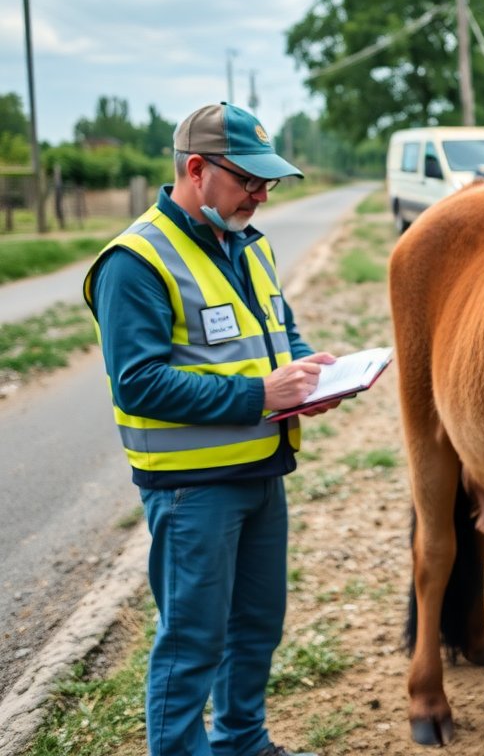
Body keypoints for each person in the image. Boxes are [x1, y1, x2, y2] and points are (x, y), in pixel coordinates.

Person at [83, 102, 341, 756]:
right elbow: (139, 382)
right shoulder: (135, 261)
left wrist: (310, 375)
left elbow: (280, 332)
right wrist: (260, 395)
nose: (260, 195)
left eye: (267, 182)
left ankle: (242, 744)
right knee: (193, 641)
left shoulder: (249, 244)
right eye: (248, 180)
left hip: (260, 472)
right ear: (196, 169)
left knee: (256, 626)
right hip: (191, 489)